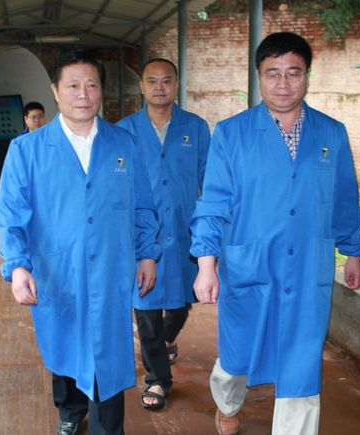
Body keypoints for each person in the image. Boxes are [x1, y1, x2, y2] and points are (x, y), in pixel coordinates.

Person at [189, 32, 360, 435]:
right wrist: (206, 264)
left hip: (306, 268)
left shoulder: (332, 133)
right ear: (259, 76)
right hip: (249, 266)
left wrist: (352, 252)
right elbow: (213, 203)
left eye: (293, 72)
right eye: (273, 73)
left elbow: (343, 199)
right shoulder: (231, 133)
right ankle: (228, 403)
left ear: (307, 76)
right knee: (236, 358)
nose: (283, 83)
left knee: (302, 366)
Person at [0, 50, 161, 435]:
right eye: (72, 85)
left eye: (91, 85)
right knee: (67, 348)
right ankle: (70, 411)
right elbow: (11, 215)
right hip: (57, 271)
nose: (83, 94)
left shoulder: (124, 144)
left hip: (111, 270)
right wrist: (17, 266)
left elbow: (142, 204)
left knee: (107, 357)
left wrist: (147, 254)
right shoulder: (27, 150)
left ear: (102, 91)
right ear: (55, 91)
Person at [117, 58, 210, 409]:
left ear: (177, 85)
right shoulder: (124, 130)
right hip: (141, 235)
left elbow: (210, 182)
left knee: (183, 301)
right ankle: (158, 379)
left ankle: (165, 340)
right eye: (152, 81)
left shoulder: (195, 128)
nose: (159, 87)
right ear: (141, 86)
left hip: (185, 235)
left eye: (166, 80)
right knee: (145, 308)